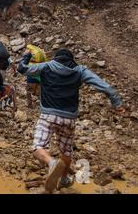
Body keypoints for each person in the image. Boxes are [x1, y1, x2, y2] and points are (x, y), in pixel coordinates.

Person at [17, 48, 125, 193]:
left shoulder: (46, 66)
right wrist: (117, 103)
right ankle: (64, 179)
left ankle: (52, 163)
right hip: (69, 119)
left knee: (37, 147)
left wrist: (26, 56)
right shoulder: (79, 71)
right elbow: (104, 86)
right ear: (71, 59)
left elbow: (22, 69)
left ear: (56, 58)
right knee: (66, 152)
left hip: (48, 115)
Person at [25, 44, 47, 109]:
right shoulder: (40, 58)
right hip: (39, 79)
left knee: (28, 91)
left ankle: (30, 105)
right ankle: (42, 106)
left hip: (31, 78)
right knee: (40, 93)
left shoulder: (30, 63)